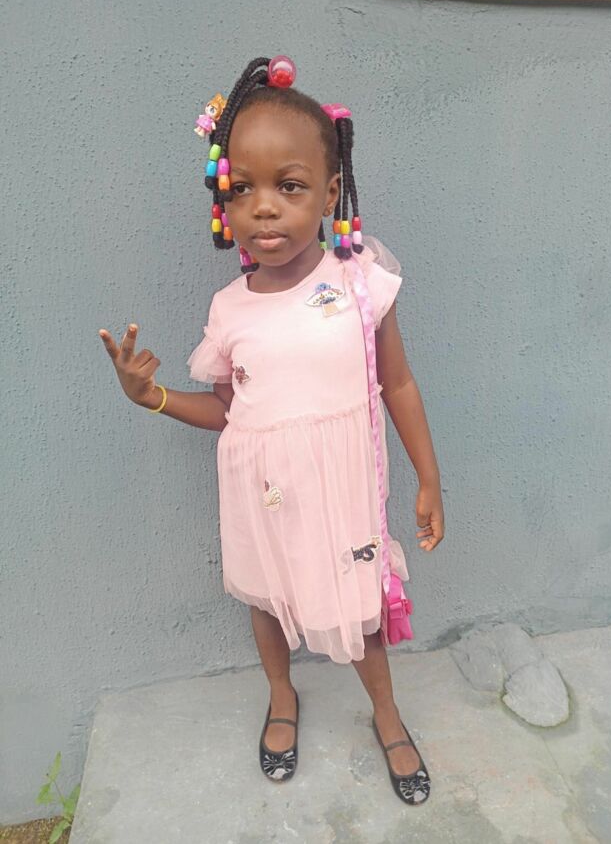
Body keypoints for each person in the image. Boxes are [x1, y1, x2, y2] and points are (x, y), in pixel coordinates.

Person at [99, 55, 444, 806]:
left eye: (288, 186)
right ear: (223, 200)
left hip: (340, 490)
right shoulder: (230, 310)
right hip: (260, 491)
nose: (263, 209)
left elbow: (397, 383)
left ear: (329, 192)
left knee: (361, 608)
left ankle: (386, 713)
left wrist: (429, 477)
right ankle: (282, 695)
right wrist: (152, 396)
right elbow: (230, 410)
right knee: (264, 597)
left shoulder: (358, 282)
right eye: (242, 189)